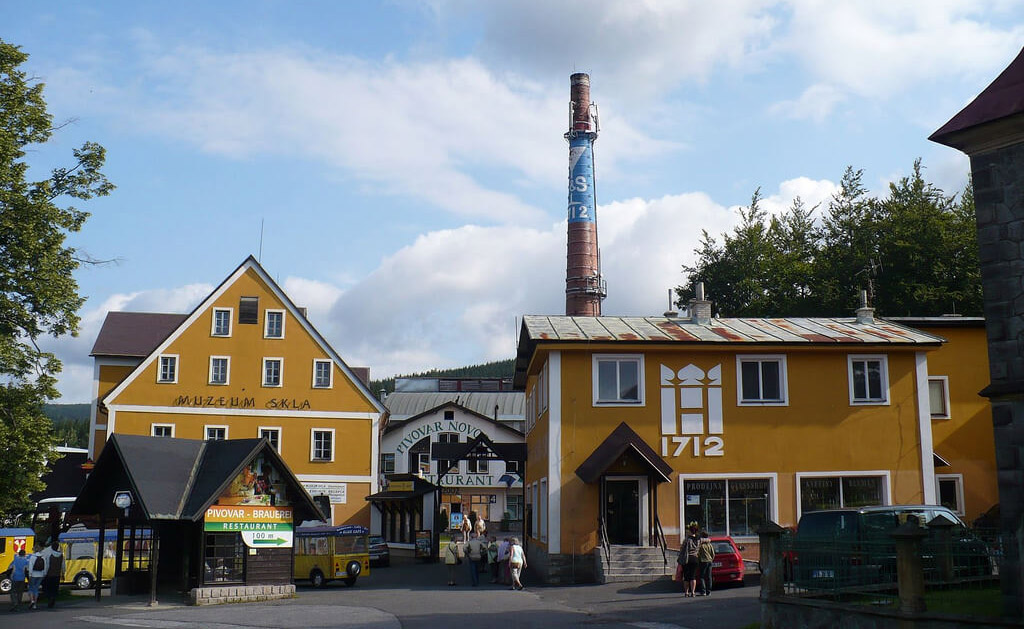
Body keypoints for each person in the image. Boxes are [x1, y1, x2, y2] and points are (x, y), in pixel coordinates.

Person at [678, 522, 700, 597]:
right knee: (693, 576)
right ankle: (693, 592)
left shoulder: (687, 539)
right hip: (695, 558)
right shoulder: (698, 539)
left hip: (687, 558)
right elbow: (707, 540)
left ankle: (686, 592)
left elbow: (682, 548)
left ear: (690, 531)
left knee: (686, 576)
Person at [40, 540, 63, 608]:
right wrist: (63, 572)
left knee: (48, 588)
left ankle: (50, 599)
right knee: (55, 588)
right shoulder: (61, 555)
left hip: (50, 574)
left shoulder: (49, 555)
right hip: (57, 574)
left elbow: (47, 565)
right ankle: (53, 598)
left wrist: (45, 573)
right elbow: (63, 565)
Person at [26, 543, 46, 610]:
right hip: (40, 575)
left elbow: (30, 567)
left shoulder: (32, 557)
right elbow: (45, 567)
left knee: (31, 588)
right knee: (36, 589)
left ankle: (32, 601)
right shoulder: (43, 557)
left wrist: (30, 575)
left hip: (33, 574)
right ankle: (35, 605)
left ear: (34, 550)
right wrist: (44, 574)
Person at [697, 531, 715, 596]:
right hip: (709, 561)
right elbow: (713, 554)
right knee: (709, 576)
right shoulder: (710, 545)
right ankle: (709, 591)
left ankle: (703, 591)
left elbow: (698, 554)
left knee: (702, 576)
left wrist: (699, 560)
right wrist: (711, 559)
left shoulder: (701, 546)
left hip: (703, 561)